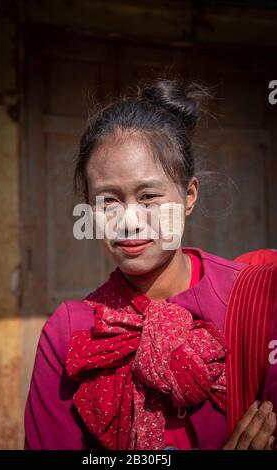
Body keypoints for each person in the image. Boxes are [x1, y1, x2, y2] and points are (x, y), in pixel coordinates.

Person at [24, 77, 277, 450]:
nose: (129, 220)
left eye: (148, 196)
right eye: (108, 200)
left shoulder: (256, 299)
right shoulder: (68, 335)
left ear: (188, 195)